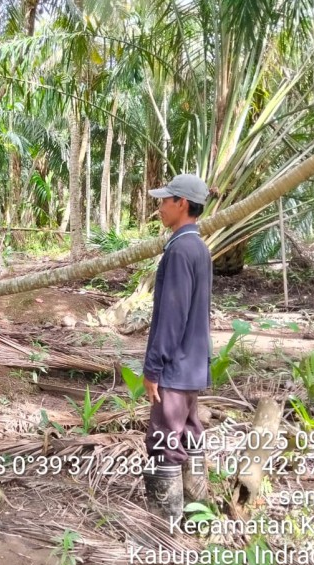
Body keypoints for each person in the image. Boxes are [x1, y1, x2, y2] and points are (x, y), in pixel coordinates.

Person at [142, 174, 212, 522]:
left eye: (165, 200)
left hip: (175, 367)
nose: (160, 207)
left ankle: (164, 524)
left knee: (164, 440)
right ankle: (197, 515)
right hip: (193, 365)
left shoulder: (180, 250)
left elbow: (172, 315)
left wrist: (154, 367)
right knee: (189, 434)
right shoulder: (198, 247)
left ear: (182, 203)